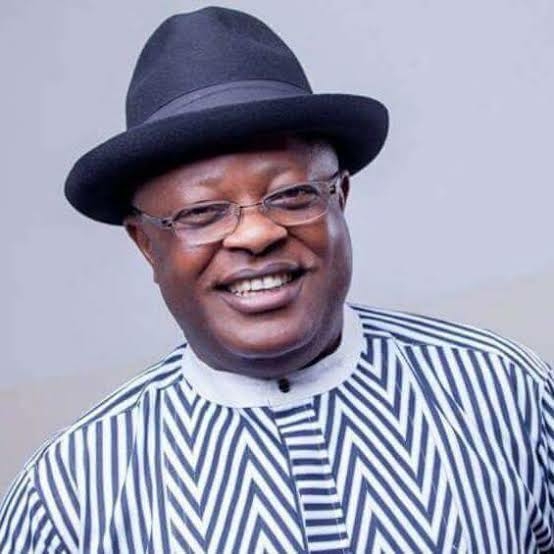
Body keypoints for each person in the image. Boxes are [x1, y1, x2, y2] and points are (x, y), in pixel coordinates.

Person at [0, 6, 553, 554]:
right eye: (202, 213)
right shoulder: (69, 497)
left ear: (340, 197)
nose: (257, 234)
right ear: (146, 243)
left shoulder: (508, 395)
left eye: (292, 196)